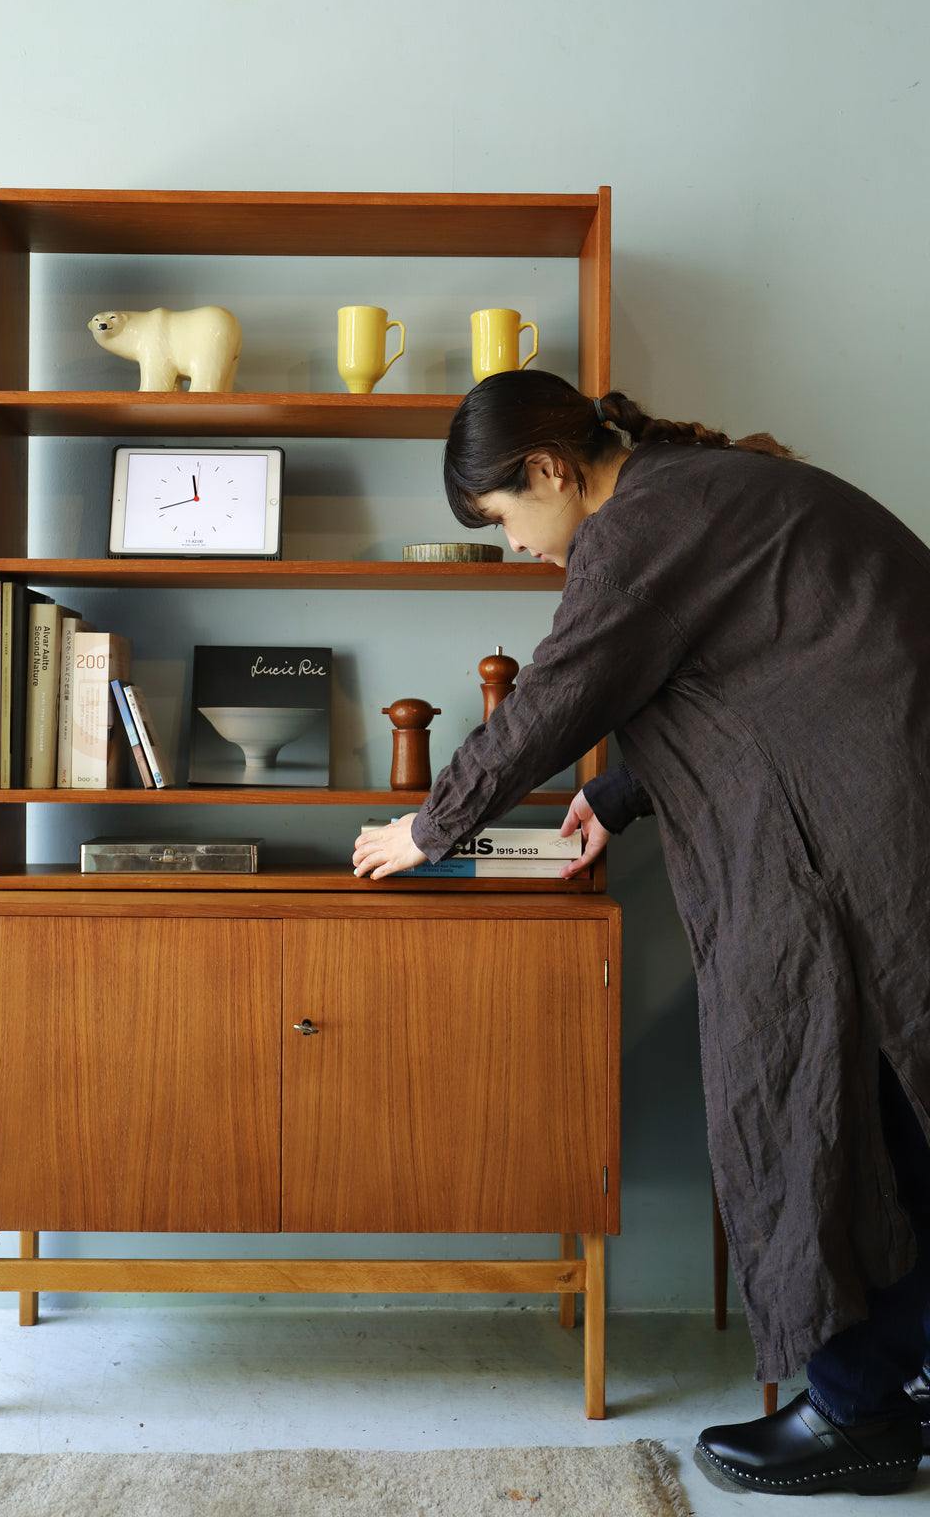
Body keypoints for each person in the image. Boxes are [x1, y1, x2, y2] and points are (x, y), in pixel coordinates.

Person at [352, 369, 930, 1496]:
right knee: (892, 1107)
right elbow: (753, 679)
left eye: (506, 518)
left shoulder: (635, 530)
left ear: (552, 470)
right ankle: (886, 1381)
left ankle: (859, 1408)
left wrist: (429, 827)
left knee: (843, 1105)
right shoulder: (699, 488)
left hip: (874, 827)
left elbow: (554, 696)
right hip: (885, 805)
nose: (519, 548)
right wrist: (615, 797)